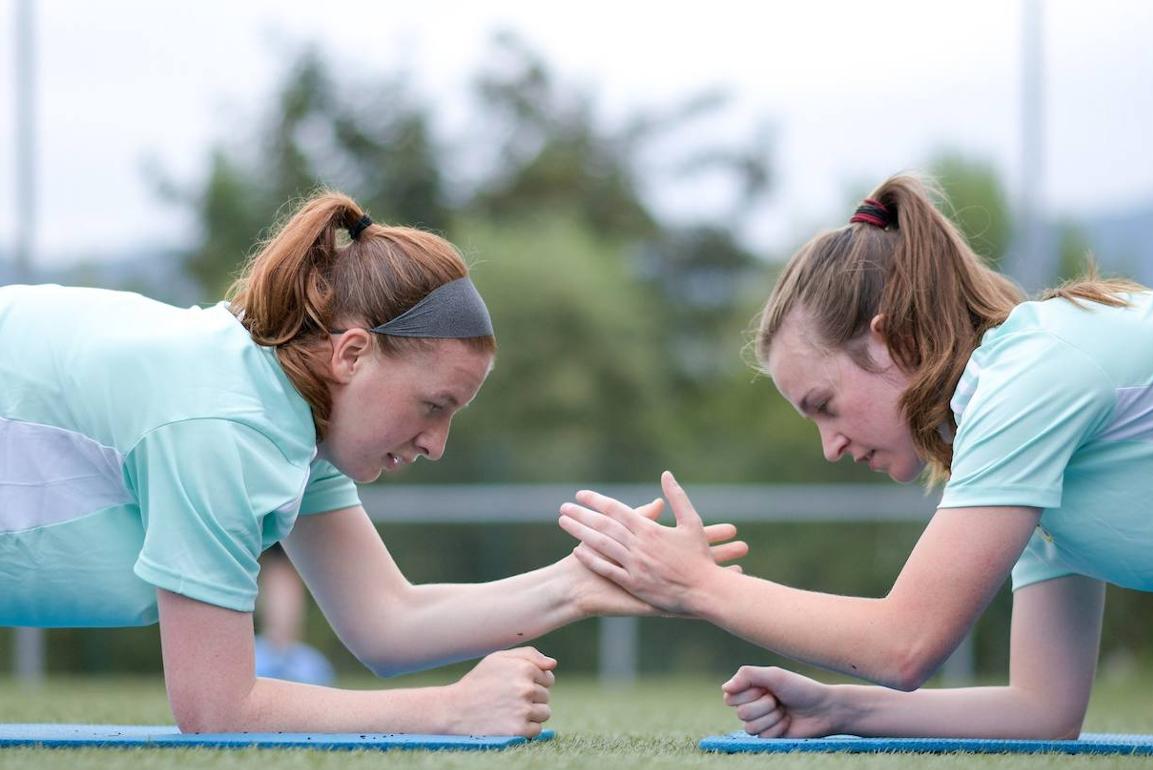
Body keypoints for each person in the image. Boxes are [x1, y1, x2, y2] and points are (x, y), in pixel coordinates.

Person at [0, 192, 747, 735]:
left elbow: (387, 621)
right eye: (433, 405)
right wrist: (450, 711)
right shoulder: (222, 423)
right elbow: (218, 710)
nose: (436, 443)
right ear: (352, 353)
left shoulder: (287, 407)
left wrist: (579, 583)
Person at [559, 173, 1153, 740]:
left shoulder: (1031, 377)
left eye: (823, 404)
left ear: (890, 341)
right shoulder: (1019, 452)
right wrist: (844, 709)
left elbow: (906, 643)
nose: (829, 447)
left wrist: (699, 586)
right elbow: (1042, 711)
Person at [254, 545, 335, 686]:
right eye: (276, 594)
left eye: (292, 595)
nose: (284, 607)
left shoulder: (314, 665)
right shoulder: (246, 658)